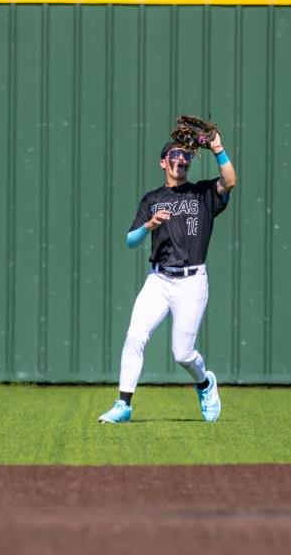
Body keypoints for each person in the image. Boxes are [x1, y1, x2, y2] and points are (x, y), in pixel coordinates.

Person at [98, 130, 237, 424]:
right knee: (135, 335)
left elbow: (230, 181)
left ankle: (205, 383)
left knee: (182, 354)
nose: (181, 159)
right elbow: (131, 241)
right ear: (163, 162)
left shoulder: (202, 193)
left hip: (192, 280)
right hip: (159, 280)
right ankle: (123, 405)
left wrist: (218, 149)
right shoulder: (152, 199)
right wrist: (148, 225)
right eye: (175, 155)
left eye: (185, 156)